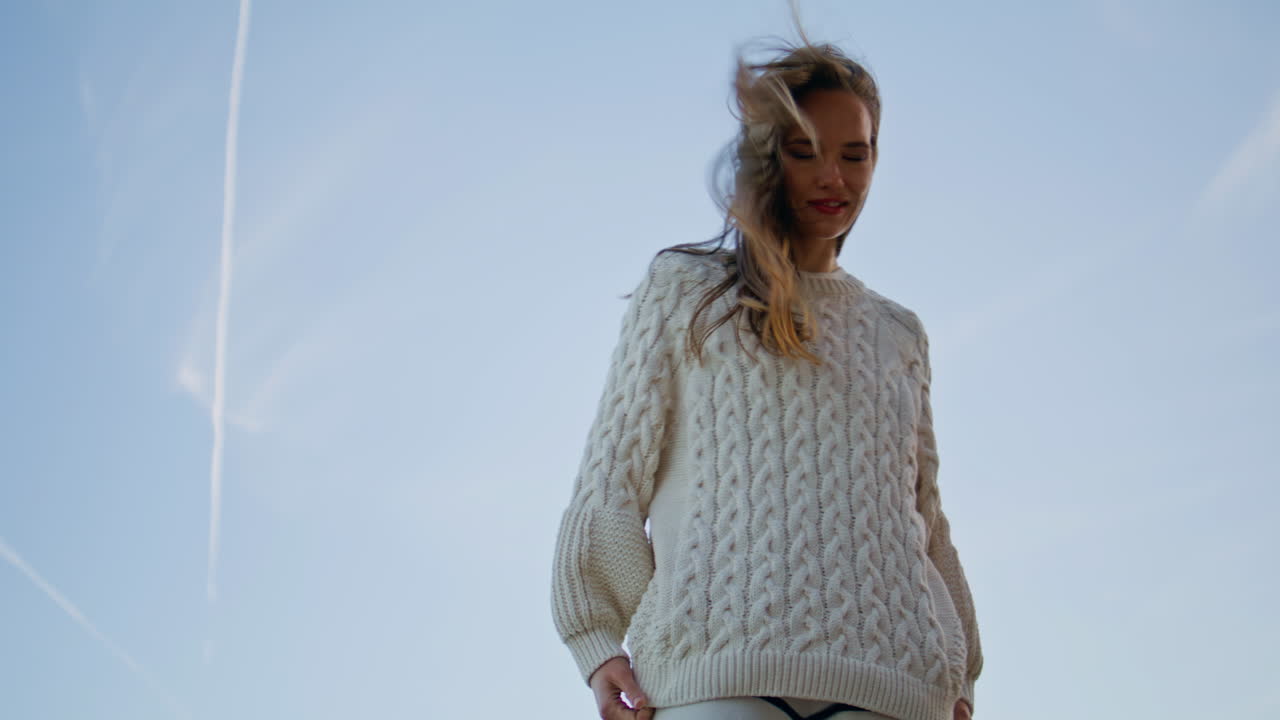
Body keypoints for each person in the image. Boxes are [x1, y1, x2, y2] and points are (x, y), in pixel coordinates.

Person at [550, 38, 983, 720]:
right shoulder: (687, 291)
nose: (833, 177)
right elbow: (614, 478)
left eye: (855, 153)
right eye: (804, 151)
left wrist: (962, 676)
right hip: (716, 671)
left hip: (899, 684)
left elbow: (923, 522)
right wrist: (597, 639)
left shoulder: (899, 333)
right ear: (768, 157)